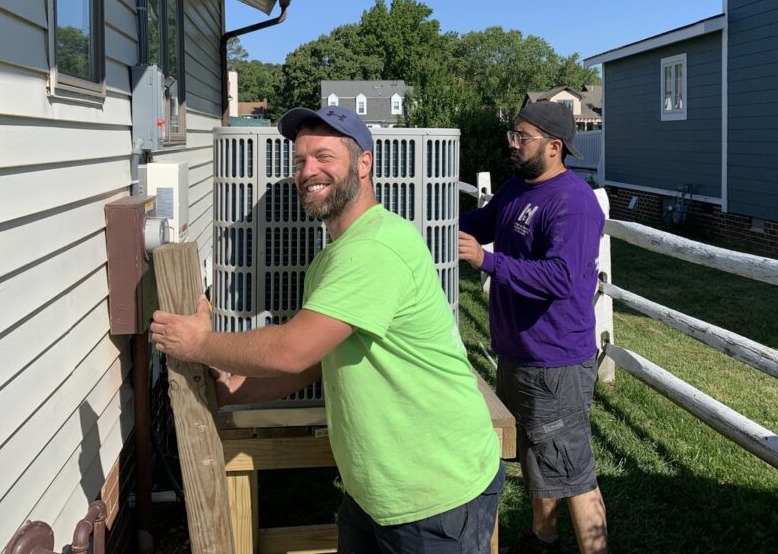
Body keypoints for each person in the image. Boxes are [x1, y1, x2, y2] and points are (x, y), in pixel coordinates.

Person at [151, 105, 503, 554]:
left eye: (324, 157)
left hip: (434, 493)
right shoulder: (335, 254)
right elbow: (316, 359)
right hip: (376, 491)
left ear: (363, 163)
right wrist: (234, 392)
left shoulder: (374, 248)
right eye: (299, 161)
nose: (307, 171)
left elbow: (292, 350)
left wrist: (201, 343)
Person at [458, 101, 607, 554]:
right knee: (537, 459)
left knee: (573, 471)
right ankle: (542, 539)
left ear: (554, 146)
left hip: (555, 363)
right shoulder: (515, 190)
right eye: (513, 135)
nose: (512, 144)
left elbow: (561, 278)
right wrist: (427, 224)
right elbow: (476, 223)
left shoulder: (573, 203)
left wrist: (487, 260)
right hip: (518, 354)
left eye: (522, 137)